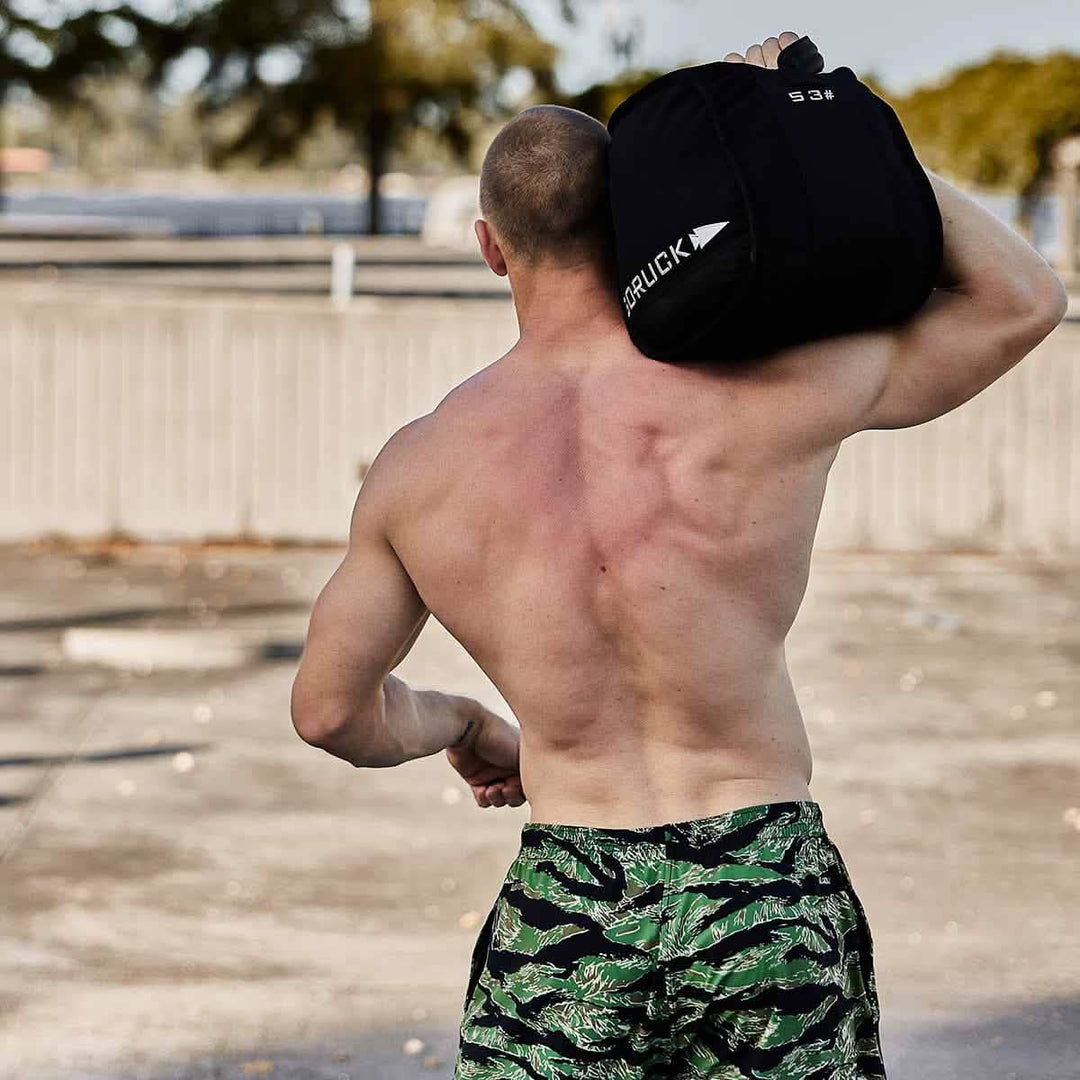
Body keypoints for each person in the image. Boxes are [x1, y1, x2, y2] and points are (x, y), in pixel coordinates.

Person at [290, 31, 1068, 1080]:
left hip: (568, 918)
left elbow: (328, 711)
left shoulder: (419, 471)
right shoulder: (769, 391)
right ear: (631, 221)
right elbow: (1023, 299)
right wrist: (820, 127)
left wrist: (464, 724)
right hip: (764, 889)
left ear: (490, 247)